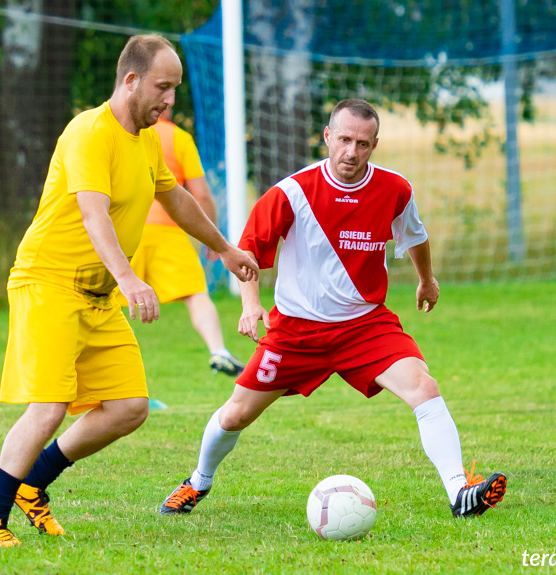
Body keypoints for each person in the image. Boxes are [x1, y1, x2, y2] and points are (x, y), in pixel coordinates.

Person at [0, 34, 258, 547]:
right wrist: (129, 278)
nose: (170, 101)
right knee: (48, 408)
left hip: (96, 296)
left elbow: (176, 197)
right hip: (50, 282)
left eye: (175, 90)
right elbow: (92, 212)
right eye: (163, 88)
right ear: (131, 80)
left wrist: (225, 248)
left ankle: (34, 484)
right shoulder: (89, 132)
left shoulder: (147, 138)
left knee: (128, 406)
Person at [159, 99, 507, 519]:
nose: (351, 152)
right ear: (327, 136)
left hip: (365, 326)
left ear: (374, 144)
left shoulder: (395, 189)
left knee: (424, 387)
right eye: (344, 139)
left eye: (362, 143)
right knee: (235, 415)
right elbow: (247, 253)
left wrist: (426, 279)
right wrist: (251, 306)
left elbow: (414, 235)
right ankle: (198, 482)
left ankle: (459, 493)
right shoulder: (292, 192)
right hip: (296, 332)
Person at [116, 106, 245, 376]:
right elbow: (202, 195)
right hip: (167, 230)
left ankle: (103, 365)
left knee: (107, 301)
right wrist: (211, 238)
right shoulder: (179, 138)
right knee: (196, 295)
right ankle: (218, 350)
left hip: (125, 229)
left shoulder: (118, 131)